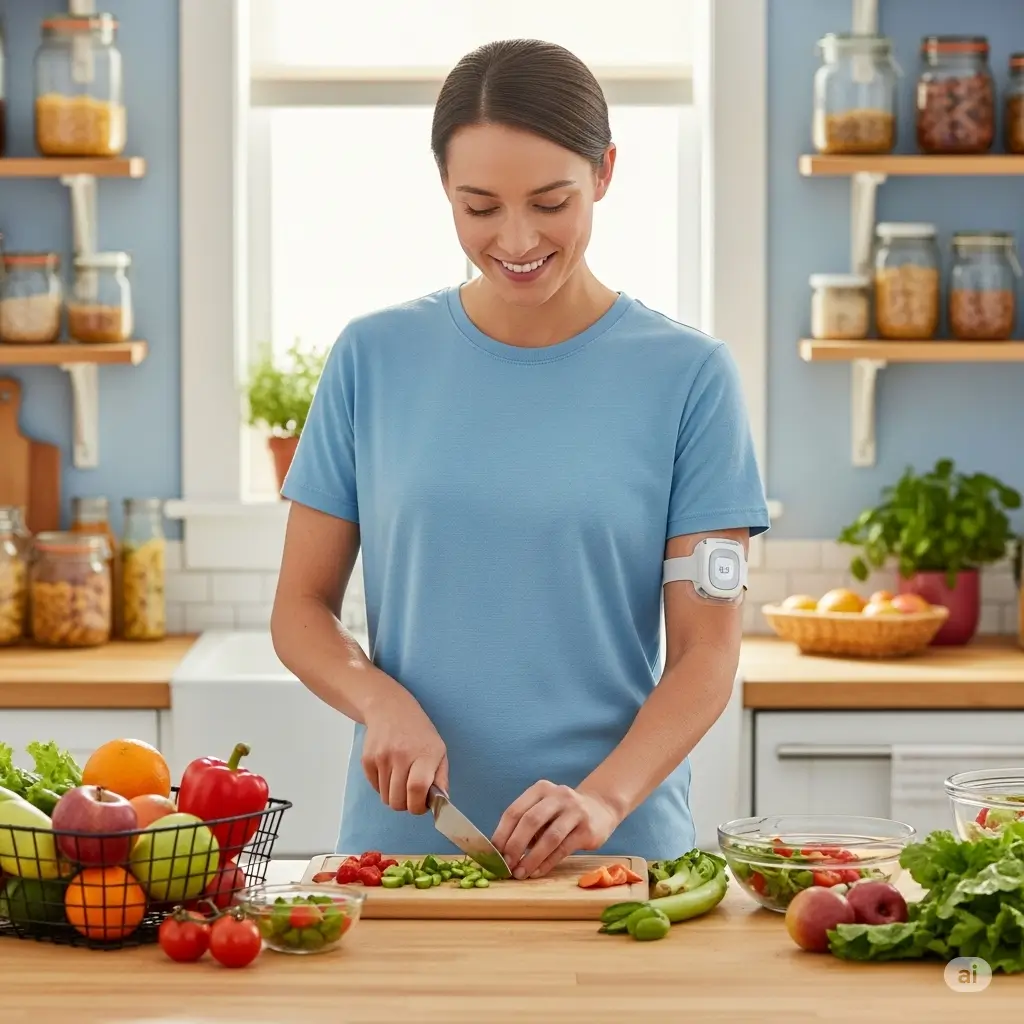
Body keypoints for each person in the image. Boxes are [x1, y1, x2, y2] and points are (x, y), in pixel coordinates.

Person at [270, 38, 770, 880]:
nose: (516, 238)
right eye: (480, 207)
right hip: (404, 853)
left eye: (550, 202)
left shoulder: (690, 377)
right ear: (445, 189)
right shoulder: (373, 358)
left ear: (604, 173)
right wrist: (377, 698)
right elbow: (299, 608)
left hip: (612, 859)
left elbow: (705, 655)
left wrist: (602, 800)